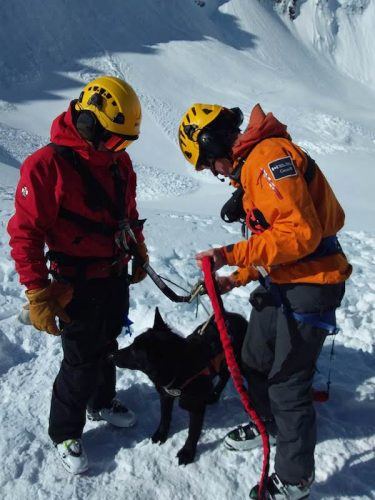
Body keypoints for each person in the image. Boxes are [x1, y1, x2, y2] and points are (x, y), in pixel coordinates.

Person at [178, 103, 352, 499]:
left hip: (312, 282)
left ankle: (294, 478)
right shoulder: (253, 165)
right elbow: (276, 246)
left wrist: (231, 254)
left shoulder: (267, 159)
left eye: (208, 164)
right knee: (253, 358)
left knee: (287, 383)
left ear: (213, 144)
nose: (214, 173)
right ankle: (268, 422)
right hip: (283, 278)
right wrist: (235, 278)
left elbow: (301, 235)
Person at [7, 76, 148, 474]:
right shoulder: (46, 166)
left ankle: (101, 402)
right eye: (115, 140)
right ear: (89, 125)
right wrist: (37, 291)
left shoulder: (118, 162)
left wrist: (137, 246)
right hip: (75, 281)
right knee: (81, 358)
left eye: (125, 143)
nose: (120, 150)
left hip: (114, 271)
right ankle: (65, 431)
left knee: (108, 342)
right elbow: (25, 234)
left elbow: (128, 211)